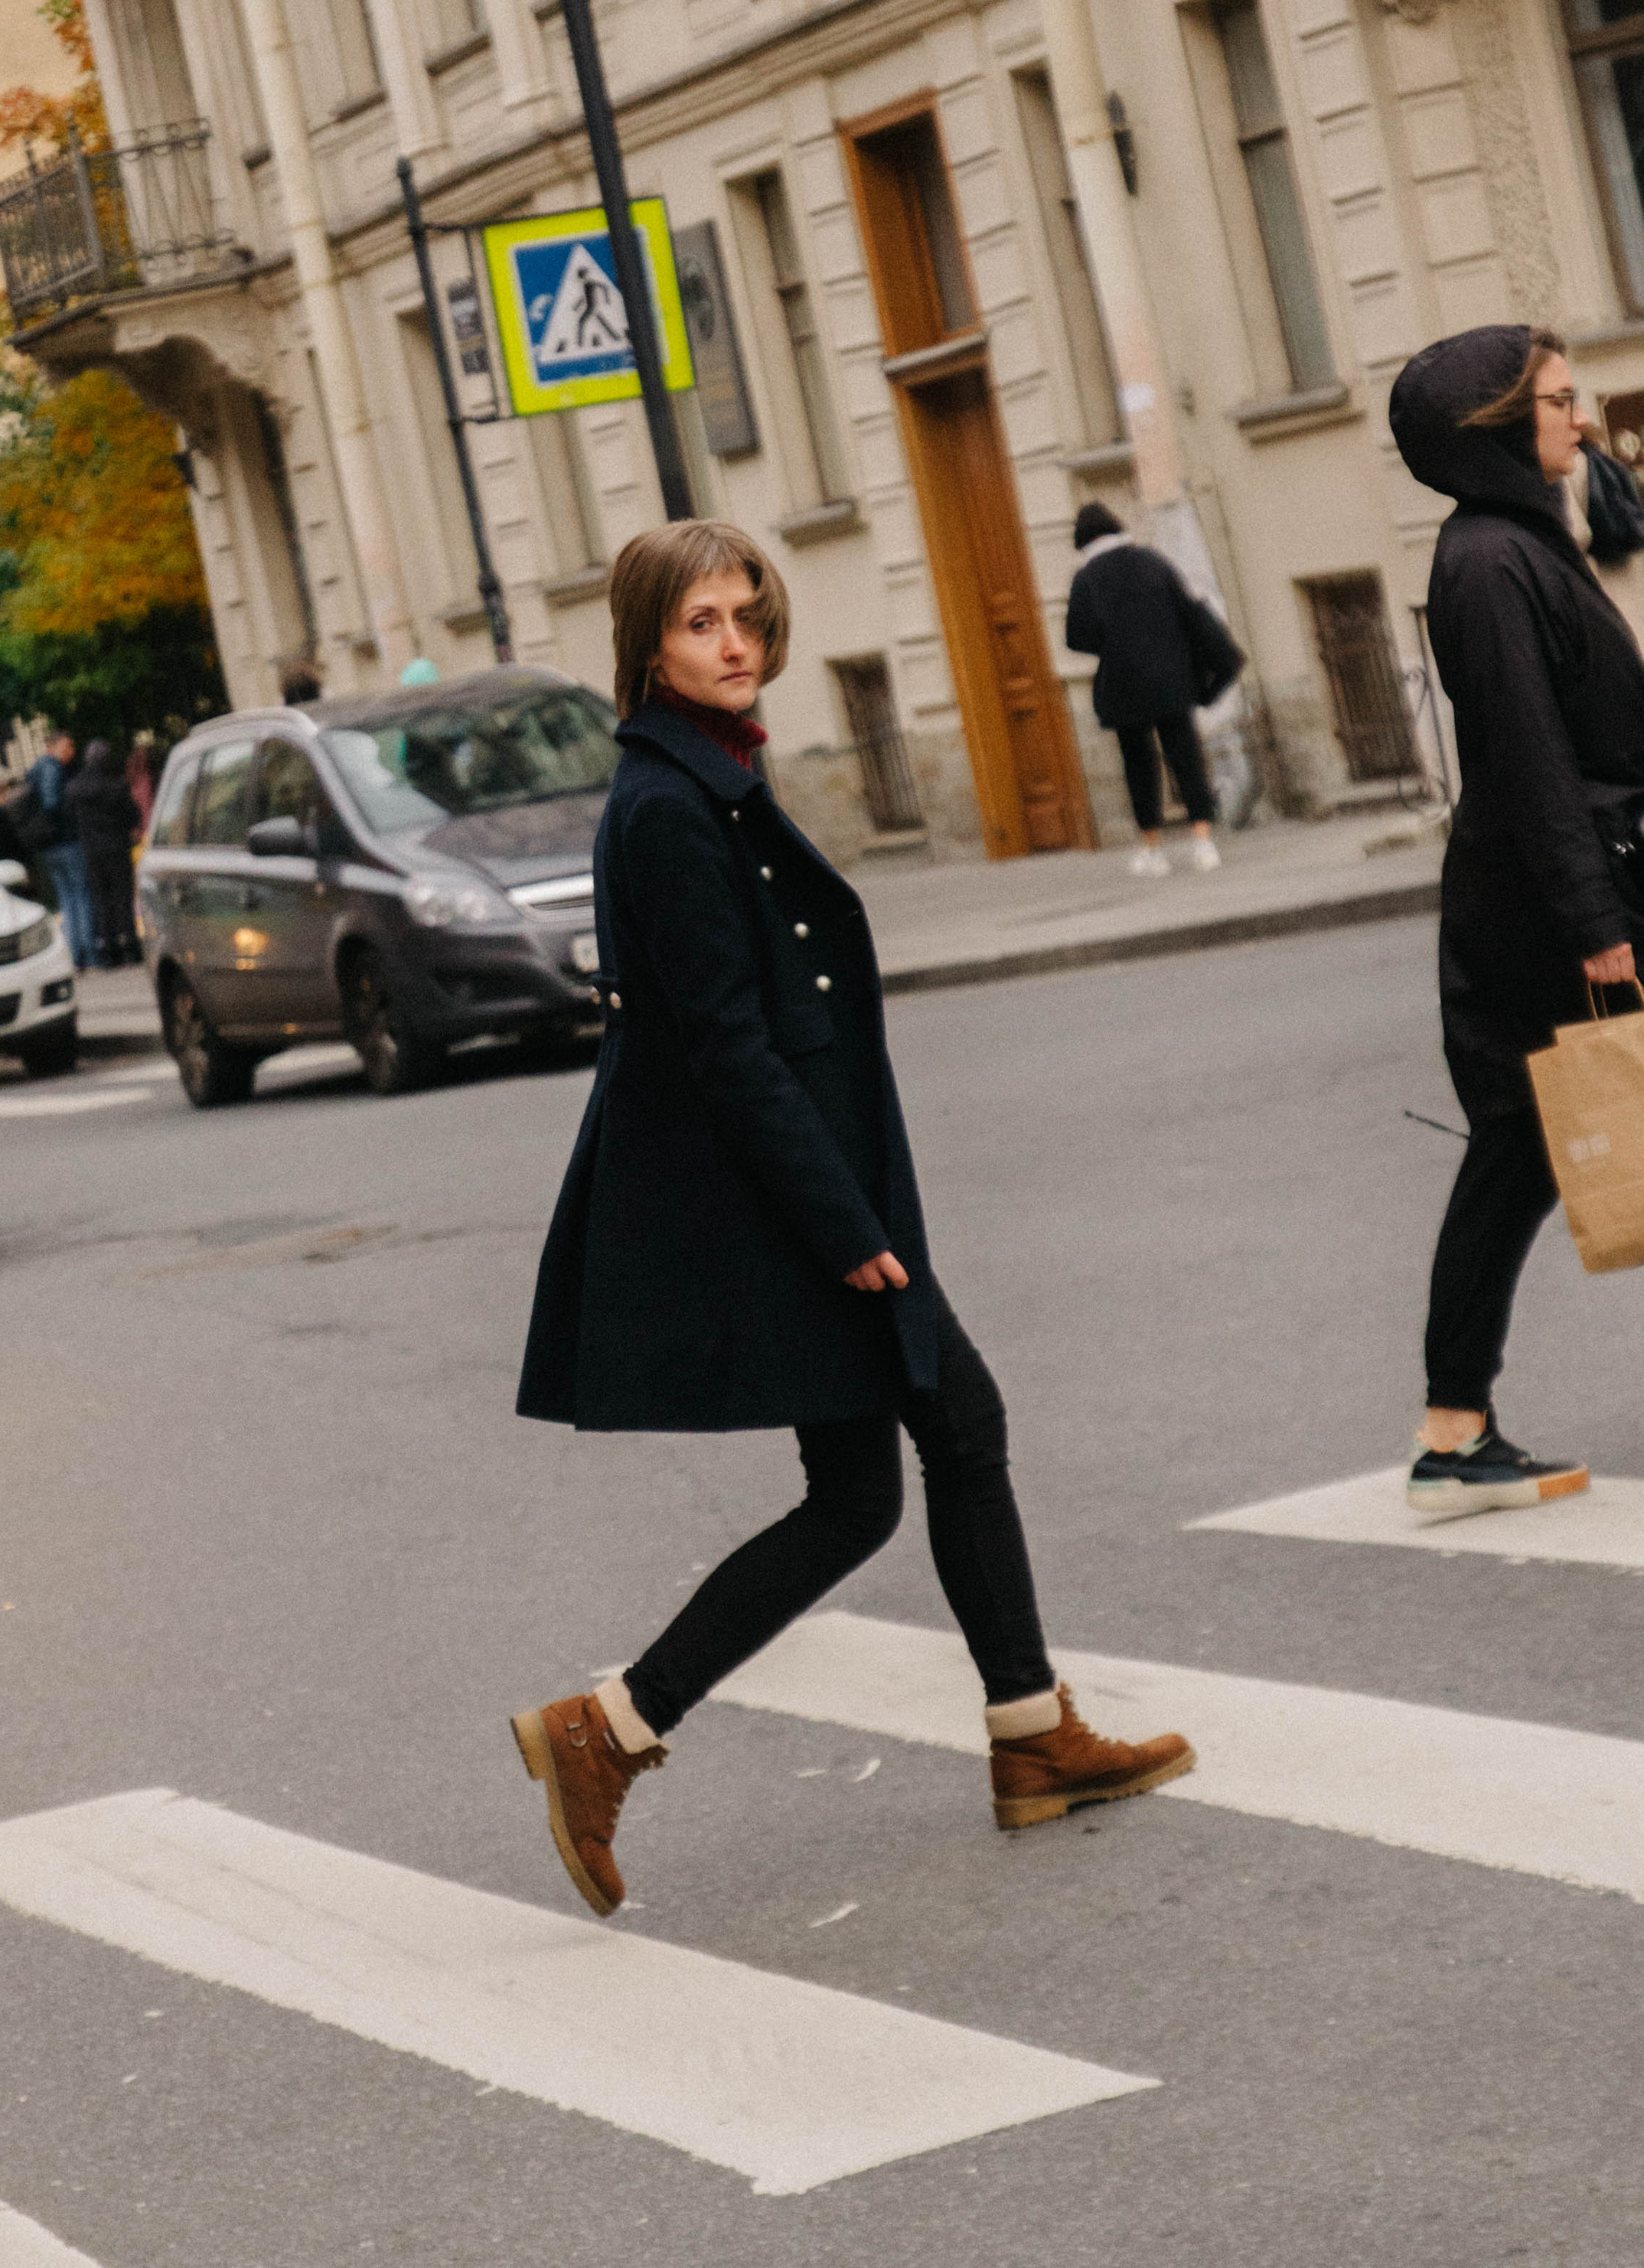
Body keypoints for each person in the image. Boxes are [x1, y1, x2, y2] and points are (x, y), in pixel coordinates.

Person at [510, 519, 1193, 1917]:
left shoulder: (706, 781)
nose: (737, 642)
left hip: (805, 1182)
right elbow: (724, 1046)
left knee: (880, 1478)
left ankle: (1001, 1736)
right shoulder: (667, 806)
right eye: (704, 622)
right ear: (649, 641)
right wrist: (843, 1224)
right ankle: (633, 1727)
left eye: (750, 616)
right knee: (943, 1437)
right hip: (792, 1196)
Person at [1389, 324, 1644, 1517]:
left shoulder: (1520, 548)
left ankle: (1453, 1432)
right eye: (1558, 403)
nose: (1581, 422)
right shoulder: (1488, 566)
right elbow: (1529, 761)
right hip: (1561, 904)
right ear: (1495, 427)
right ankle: (1452, 1430)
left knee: (1513, 1158)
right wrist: (1598, 929)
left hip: (1543, 895)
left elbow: (1638, 709)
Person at [1062, 504, 1241, 878]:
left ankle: (1152, 849)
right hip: (1171, 679)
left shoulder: (1086, 579)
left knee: (1139, 766)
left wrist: (1112, 643)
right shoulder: (1152, 562)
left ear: (1084, 541)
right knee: (1186, 758)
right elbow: (1188, 612)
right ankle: (1203, 842)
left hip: (1125, 686)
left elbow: (1076, 637)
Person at [67, 738, 142, 968]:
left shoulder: (75, 788)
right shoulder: (116, 785)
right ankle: (129, 945)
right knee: (122, 897)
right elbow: (132, 815)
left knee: (100, 898)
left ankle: (107, 949)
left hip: (91, 851)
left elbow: (69, 817)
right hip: (117, 847)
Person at [27, 728, 96, 972]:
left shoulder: (35, 770)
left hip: (49, 847)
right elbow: (53, 804)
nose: (71, 752)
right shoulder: (53, 768)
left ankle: (73, 953)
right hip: (66, 842)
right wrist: (71, 818)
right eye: (66, 746)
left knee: (67, 899)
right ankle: (85, 953)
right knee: (80, 896)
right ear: (51, 747)